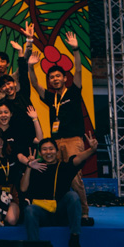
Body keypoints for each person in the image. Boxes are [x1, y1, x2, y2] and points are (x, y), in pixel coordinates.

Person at [30, 29, 93, 224]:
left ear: (65, 78)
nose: (55, 79)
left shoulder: (73, 92)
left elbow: (79, 71)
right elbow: (35, 84)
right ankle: (59, 211)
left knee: (74, 178)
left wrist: (76, 49)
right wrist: (31, 67)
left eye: (58, 76)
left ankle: (83, 213)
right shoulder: (51, 98)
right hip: (56, 143)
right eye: (52, 77)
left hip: (73, 140)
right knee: (55, 176)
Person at [21, 137, 99, 247]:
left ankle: (75, 236)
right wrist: (29, 167)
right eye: (44, 149)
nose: (48, 152)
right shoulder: (35, 168)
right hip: (42, 212)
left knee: (72, 195)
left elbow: (78, 159)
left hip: (60, 212)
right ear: (40, 153)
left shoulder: (64, 167)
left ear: (57, 151)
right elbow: (23, 188)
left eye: (51, 149)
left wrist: (91, 149)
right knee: (29, 210)